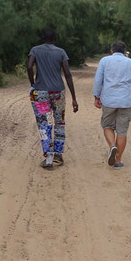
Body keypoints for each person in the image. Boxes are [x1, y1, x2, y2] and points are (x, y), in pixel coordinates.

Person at [27, 28, 79, 169]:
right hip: (58, 92)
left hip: (40, 93)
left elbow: (29, 66)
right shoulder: (61, 52)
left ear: (42, 38)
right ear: (55, 39)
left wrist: (33, 83)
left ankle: (48, 159)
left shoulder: (35, 50)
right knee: (59, 122)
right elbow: (68, 74)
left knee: (44, 123)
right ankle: (58, 154)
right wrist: (74, 98)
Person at [92, 41, 131, 169]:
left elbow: (98, 80)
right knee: (122, 131)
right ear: (124, 52)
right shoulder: (130, 62)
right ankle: (118, 160)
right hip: (125, 101)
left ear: (111, 51)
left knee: (107, 125)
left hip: (109, 100)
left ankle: (112, 147)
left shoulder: (104, 61)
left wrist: (97, 96)